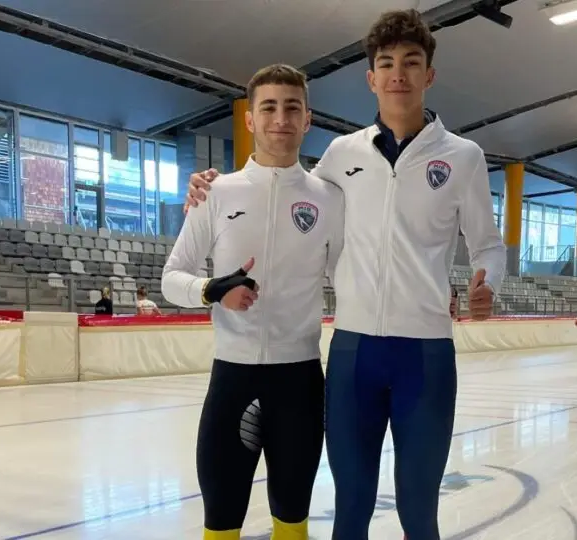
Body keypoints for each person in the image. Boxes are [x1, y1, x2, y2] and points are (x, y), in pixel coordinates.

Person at [185, 10, 504, 539]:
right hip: (355, 354)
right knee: (351, 504)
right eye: (386, 64)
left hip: (425, 356)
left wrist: (485, 279)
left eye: (411, 62)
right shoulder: (340, 154)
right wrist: (208, 188)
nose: (398, 73)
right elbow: (286, 195)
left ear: (429, 75)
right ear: (371, 79)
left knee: (418, 508)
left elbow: (488, 244)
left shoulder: (464, 158)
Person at [162, 64, 344, 540]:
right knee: (221, 524)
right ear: (249, 119)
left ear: (308, 119)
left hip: (300, 382)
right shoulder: (215, 192)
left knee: (292, 523)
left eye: (292, 107)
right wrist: (212, 290)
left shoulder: (329, 198)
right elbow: (171, 278)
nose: (280, 118)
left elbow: (352, 280)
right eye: (268, 107)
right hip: (233, 379)